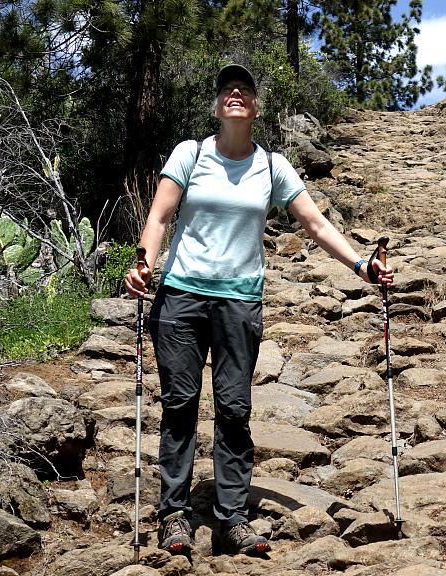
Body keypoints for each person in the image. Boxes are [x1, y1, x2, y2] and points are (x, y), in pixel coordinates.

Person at [124, 64, 394, 557]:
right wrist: (143, 262)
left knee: (234, 409)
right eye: (226, 88)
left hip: (239, 302)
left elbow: (314, 222)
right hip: (180, 297)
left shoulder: (273, 166)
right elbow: (160, 215)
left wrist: (361, 265)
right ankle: (174, 516)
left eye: (243, 89)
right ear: (216, 106)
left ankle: (232, 520)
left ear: (255, 106)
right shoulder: (191, 154)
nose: (234, 93)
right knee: (180, 406)